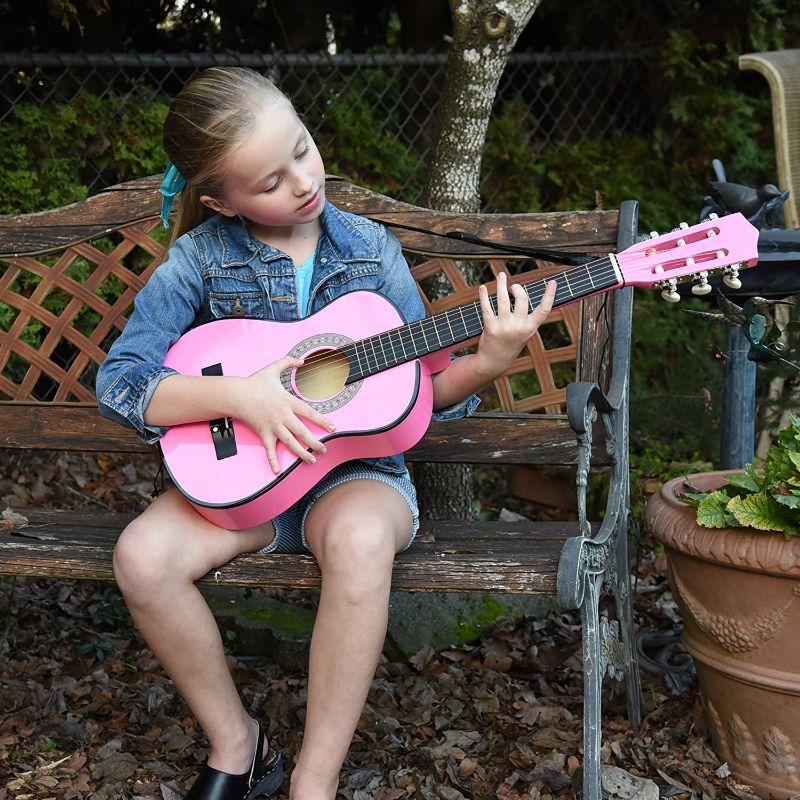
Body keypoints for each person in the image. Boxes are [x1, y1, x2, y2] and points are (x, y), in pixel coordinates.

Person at [95, 66, 556, 800]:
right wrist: (242, 396)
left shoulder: (371, 253)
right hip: (250, 486)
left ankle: (315, 779)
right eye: (270, 181)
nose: (302, 182)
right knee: (143, 557)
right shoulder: (200, 260)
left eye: (303, 150)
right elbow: (120, 384)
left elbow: (427, 393)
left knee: (360, 540)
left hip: (356, 478)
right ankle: (238, 743)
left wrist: (490, 361)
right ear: (219, 199)